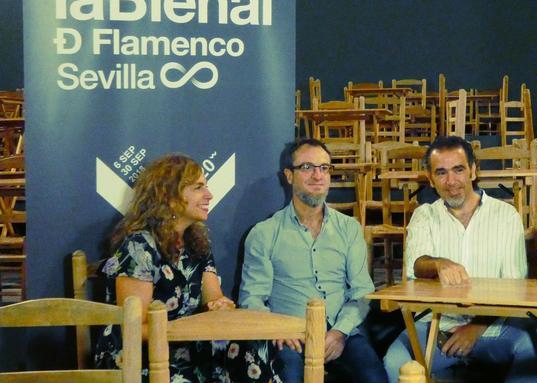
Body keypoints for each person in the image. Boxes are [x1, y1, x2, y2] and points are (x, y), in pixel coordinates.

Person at [94, 154, 273, 383]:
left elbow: (214, 299)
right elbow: (134, 328)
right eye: (199, 187)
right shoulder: (139, 246)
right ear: (169, 195)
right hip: (139, 355)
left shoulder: (197, 244)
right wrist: (184, 331)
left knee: (252, 349)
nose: (209, 195)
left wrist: (220, 306)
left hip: (188, 346)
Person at [383, 136, 537, 383]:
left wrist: (475, 329)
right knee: (394, 362)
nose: (451, 182)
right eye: (441, 173)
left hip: (493, 328)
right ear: (430, 178)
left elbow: (515, 287)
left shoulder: (505, 215)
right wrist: (438, 263)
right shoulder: (424, 216)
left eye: (458, 170)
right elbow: (416, 266)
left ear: (473, 170)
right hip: (435, 327)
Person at [239, 138, 386, 383]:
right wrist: (278, 330)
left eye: (324, 168)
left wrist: (340, 332)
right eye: (307, 167)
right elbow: (252, 297)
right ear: (289, 175)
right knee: (290, 375)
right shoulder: (264, 233)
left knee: (375, 377)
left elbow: (362, 291)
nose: (317, 175)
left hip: (342, 332)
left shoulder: (349, 229)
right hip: (290, 336)